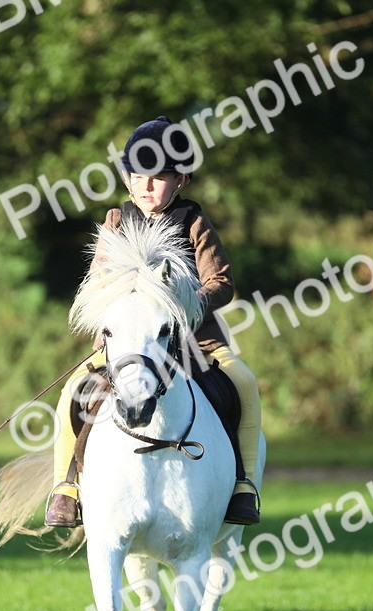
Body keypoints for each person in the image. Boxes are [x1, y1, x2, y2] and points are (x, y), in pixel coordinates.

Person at [45, 116, 262, 528]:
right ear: (127, 180)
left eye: (159, 177)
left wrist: (184, 300)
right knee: (73, 390)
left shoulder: (194, 222)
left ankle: (242, 484)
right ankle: (66, 487)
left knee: (245, 384)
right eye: (138, 176)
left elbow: (222, 283)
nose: (146, 186)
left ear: (182, 179)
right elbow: (97, 280)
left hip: (194, 342)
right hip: (124, 343)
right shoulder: (116, 221)